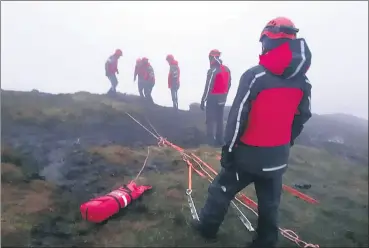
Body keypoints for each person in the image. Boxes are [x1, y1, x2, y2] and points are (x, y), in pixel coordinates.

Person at [191, 17, 312, 248]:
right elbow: (302, 116)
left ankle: (207, 229)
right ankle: (266, 242)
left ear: (267, 41)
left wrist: (228, 149)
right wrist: (286, 142)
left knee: (220, 190)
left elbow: (237, 119)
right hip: (277, 158)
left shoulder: (255, 76)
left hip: (247, 159)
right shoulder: (303, 81)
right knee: (270, 204)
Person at [200, 49, 231, 146]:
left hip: (212, 98)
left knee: (210, 119)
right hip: (222, 98)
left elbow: (208, 86)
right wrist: (224, 96)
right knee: (220, 119)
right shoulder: (227, 69)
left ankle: (210, 141)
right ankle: (220, 140)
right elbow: (229, 84)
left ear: (212, 58)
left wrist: (203, 100)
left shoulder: (212, 71)